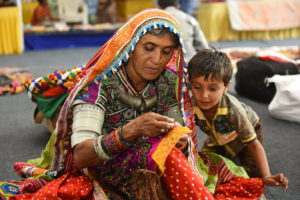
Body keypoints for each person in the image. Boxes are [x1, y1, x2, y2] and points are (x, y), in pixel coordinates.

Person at [1, 9, 267, 200]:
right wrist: (130, 131)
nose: (156, 59)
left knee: (172, 153)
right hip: (106, 162)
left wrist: (181, 140)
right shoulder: (99, 87)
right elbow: (80, 156)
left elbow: (179, 130)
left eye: (166, 52)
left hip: (154, 160)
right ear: (129, 46)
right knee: (158, 151)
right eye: (148, 47)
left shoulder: (168, 81)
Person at [188, 48, 289, 190]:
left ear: (226, 87)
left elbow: (254, 145)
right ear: (189, 84)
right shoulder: (189, 105)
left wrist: (266, 176)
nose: (204, 95)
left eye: (213, 88)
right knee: (205, 165)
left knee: (252, 177)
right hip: (218, 135)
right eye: (197, 87)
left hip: (247, 131)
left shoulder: (234, 111)